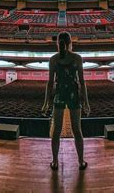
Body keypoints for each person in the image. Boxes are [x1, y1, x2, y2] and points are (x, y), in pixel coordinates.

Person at [42, 31, 90, 171]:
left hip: (59, 94)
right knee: (77, 130)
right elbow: (82, 82)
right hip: (73, 94)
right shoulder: (77, 58)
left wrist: (46, 102)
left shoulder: (53, 59)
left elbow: (50, 84)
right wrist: (86, 101)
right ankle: (81, 161)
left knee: (56, 131)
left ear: (58, 44)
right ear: (70, 43)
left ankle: (55, 161)